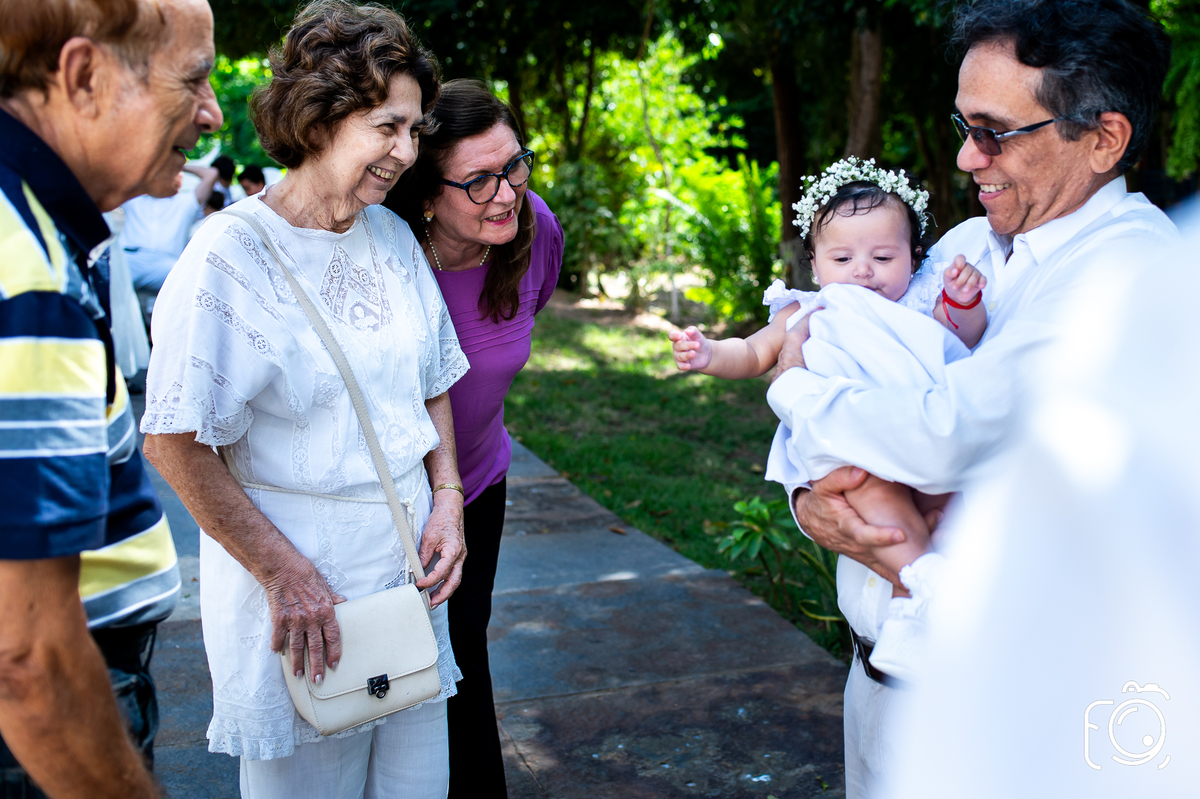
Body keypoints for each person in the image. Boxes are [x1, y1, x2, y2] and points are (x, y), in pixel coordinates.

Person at [765, 1, 1175, 796]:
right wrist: (809, 497)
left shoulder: (1127, 276)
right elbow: (859, 368)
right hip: (879, 681)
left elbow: (938, 434)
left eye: (994, 132)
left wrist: (790, 386)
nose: (964, 156)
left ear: (1104, 138)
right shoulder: (963, 246)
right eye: (963, 125)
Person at [140, 2, 467, 796]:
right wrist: (283, 573)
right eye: (387, 127)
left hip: (408, 584)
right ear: (320, 118)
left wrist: (449, 497)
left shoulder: (391, 236)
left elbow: (433, 378)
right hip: (305, 605)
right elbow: (173, 442)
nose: (406, 151)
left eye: (414, 130)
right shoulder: (228, 256)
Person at [0, 0, 221, 795]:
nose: (211, 114)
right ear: (84, 76)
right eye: (192, 80)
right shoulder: (27, 270)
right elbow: (27, 658)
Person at [671, 159, 987, 598]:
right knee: (879, 509)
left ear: (914, 257)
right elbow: (753, 352)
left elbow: (960, 337)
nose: (862, 270)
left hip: (918, 434)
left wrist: (963, 301)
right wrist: (709, 353)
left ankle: (930, 591)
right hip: (846, 445)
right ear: (816, 267)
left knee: (948, 507)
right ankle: (916, 584)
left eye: (883, 257)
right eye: (842, 258)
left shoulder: (919, 300)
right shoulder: (805, 308)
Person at [386, 78, 563, 799]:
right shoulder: (390, 256)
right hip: (396, 495)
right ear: (429, 195)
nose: (506, 193)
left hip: (480, 481)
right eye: (479, 180)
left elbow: (516, 328)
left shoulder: (534, 230)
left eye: (514, 165)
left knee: (464, 646)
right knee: (390, 662)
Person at [120, 161, 220, 291]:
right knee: (107, 275)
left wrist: (176, 164)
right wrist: (157, 162)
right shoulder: (135, 199)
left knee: (193, 281)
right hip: (131, 259)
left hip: (166, 264)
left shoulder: (185, 202)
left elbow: (211, 174)